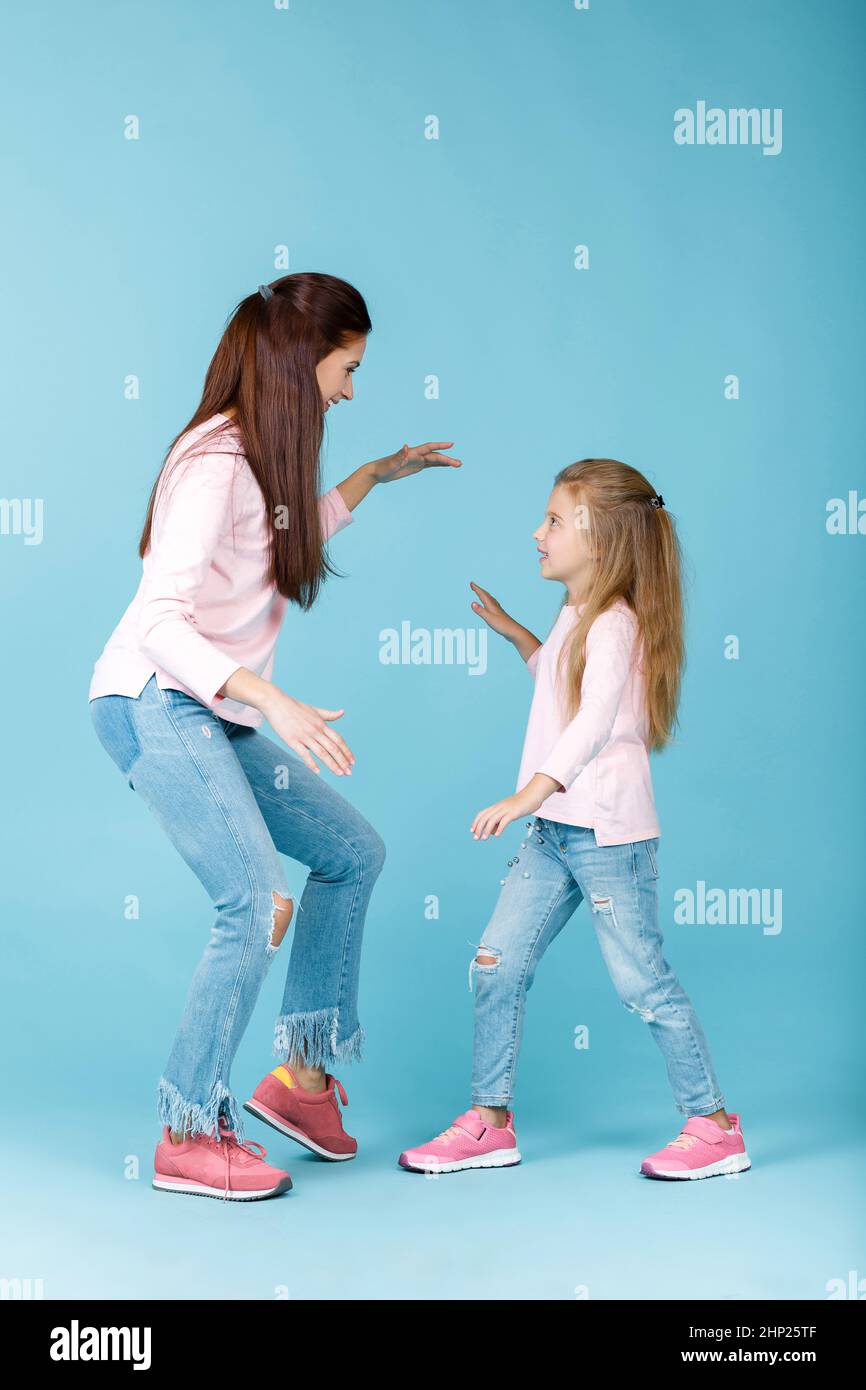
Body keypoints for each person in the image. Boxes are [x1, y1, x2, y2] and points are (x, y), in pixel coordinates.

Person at [89, 272, 461, 1200]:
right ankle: (187, 1131)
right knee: (253, 900)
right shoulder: (213, 461)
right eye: (347, 368)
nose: (349, 389)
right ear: (304, 362)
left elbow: (276, 542)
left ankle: (299, 1082)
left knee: (350, 853)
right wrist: (273, 698)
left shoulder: (261, 463)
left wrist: (374, 477)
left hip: (206, 707)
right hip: (153, 699)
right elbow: (161, 620)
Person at [398, 459, 751, 1181]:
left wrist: (528, 792)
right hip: (556, 830)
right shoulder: (574, 616)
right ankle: (490, 1122)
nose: (538, 532)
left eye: (554, 520)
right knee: (495, 964)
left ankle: (714, 1126)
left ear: (602, 539)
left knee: (641, 982)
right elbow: (562, 687)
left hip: (607, 835)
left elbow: (594, 722)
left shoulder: (616, 624)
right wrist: (516, 636)